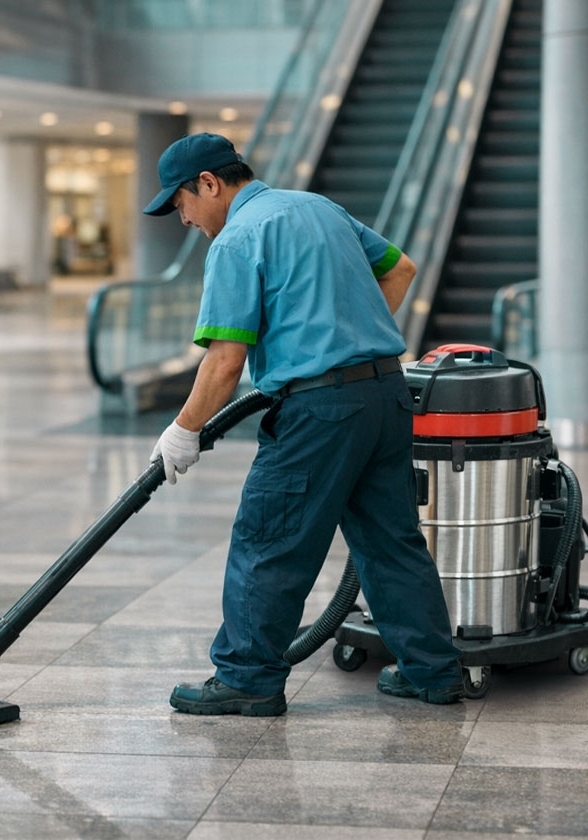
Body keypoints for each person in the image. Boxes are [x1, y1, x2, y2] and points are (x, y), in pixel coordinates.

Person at [143, 132, 463, 716]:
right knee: (391, 541)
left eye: (181, 202)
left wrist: (184, 430)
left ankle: (246, 678)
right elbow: (401, 268)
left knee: (269, 538)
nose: (183, 218)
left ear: (210, 183)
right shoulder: (318, 207)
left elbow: (224, 361)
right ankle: (434, 673)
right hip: (387, 393)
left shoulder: (238, 238)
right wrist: (346, 338)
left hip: (319, 412)